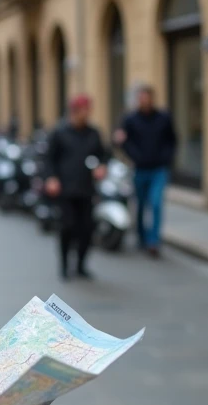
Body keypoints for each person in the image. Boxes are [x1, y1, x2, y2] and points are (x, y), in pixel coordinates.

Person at [44, 94, 109, 281]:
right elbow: (49, 159)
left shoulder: (93, 133)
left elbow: (103, 155)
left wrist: (102, 166)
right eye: (84, 110)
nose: (87, 113)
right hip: (65, 189)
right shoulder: (60, 133)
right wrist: (51, 178)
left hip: (87, 189)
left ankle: (81, 265)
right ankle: (64, 265)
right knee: (67, 227)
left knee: (86, 229)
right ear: (75, 111)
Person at [114, 84, 177, 257]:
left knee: (156, 204)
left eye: (147, 97)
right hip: (139, 169)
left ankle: (153, 241)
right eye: (141, 98)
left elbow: (172, 140)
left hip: (158, 169)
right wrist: (133, 156)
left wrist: (166, 158)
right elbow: (121, 140)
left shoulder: (163, 117)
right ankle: (141, 237)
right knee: (141, 205)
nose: (144, 101)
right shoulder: (130, 119)